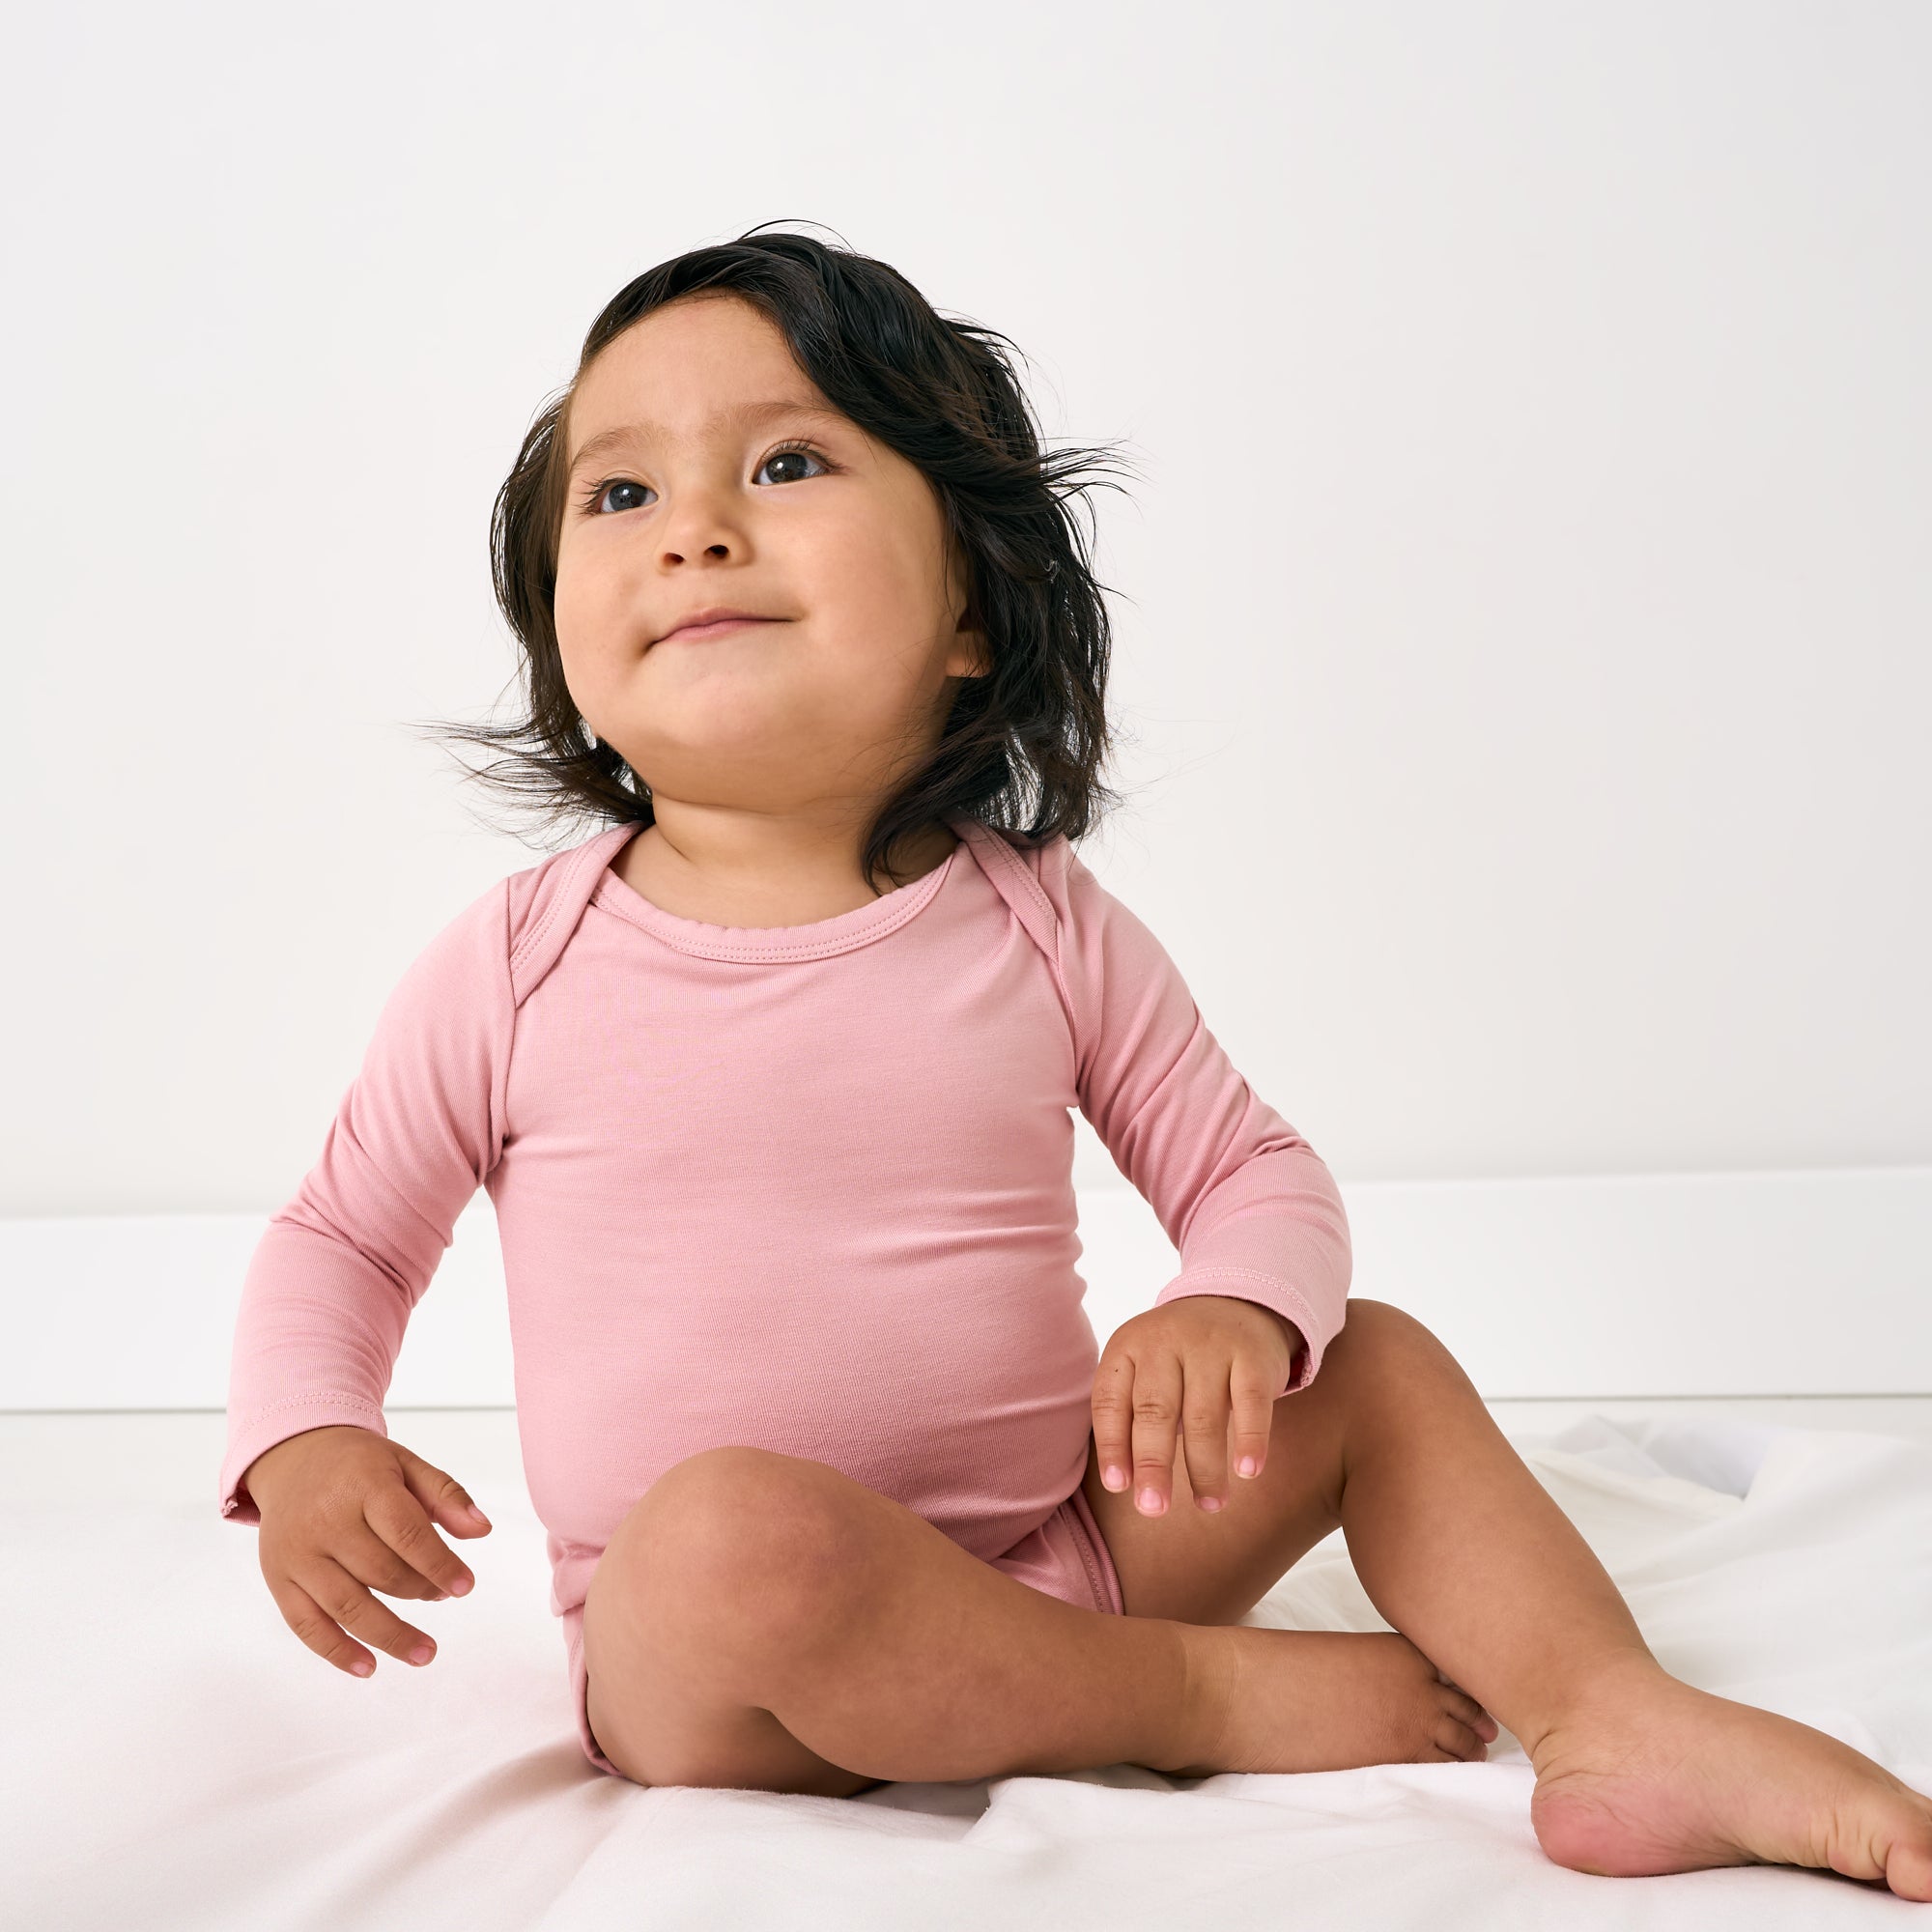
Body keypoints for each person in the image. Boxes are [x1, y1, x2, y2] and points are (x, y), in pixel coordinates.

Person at [218, 225, 1932, 1898]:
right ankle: (1192, 1697)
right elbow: (343, 1241)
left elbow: (1252, 1172)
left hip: (1072, 1555)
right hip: (719, 1665)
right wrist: (305, 1439)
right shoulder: (518, 962)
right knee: (735, 1526)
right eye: (622, 495)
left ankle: (1616, 1717)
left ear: (977, 612)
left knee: (1382, 1369)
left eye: (793, 461)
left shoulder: (1036, 923)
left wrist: (1233, 1309)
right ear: (569, 657)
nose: (698, 536)